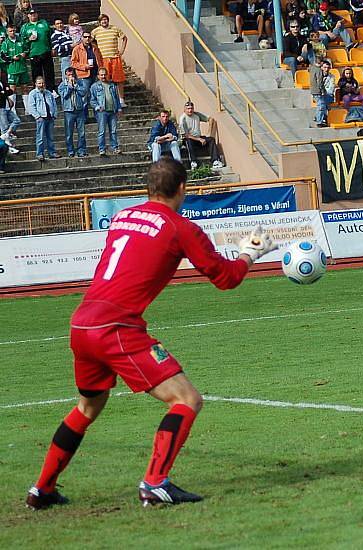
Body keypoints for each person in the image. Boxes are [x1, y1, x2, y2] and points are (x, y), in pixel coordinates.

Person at [25, 158, 278, 510]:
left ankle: (42, 489)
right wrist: (250, 254)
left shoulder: (122, 217)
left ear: (148, 188)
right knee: (186, 399)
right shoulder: (180, 227)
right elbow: (225, 278)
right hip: (116, 327)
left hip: (82, 322)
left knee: (87, 407)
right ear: (183, 189)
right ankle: (155, 483)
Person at [91, 14, 128, 107]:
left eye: (106, 20)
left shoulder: (115, 29)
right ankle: (107, 99)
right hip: (104, 58)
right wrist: (96, 49)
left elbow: (124, 38)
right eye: (102, 20)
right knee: (105, 78)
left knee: (119, 79)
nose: (104, 21)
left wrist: (122, 50)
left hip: (115, 57)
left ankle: (121, 100)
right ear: (99, 22)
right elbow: (90, 40)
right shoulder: (95, 31)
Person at [178, 101, 224, 170]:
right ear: (184, 109)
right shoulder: (182, 119)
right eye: (188, 108)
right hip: (188, 139)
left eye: (191, 108)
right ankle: (193, 162)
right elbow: (185, 135)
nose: (190, 110)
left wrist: (209, 132)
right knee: (188, 141)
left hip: (198, 138)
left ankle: (215, 161)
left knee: (211, 139)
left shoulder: (197, 115)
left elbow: (211, 119)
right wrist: (199, 139)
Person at [89, 67, 122, 156]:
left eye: (104, 74)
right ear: (98, 76)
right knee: (102, 131)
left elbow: (117, 98)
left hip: (113, 111)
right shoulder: (94, 86)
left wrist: (119, 108)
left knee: (114, 131)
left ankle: (115, 147)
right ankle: (102, 149)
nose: (103, 76)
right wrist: (97, 107)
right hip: (102, 112)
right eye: (101, 75)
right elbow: (92, 100)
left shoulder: (112, 86)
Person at [70, 31, 103, 122]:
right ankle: (84, 118)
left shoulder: (95, 48)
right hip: (83, 75)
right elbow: (73, 63)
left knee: (96, 96)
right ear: (82, 38)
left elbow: (100, 59)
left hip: (95, 74)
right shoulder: (77, 49)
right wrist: (84, 66)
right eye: (85, 37)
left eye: (89, 37)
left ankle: (98, 116)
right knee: (84, 97)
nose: (87, 39)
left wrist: (101, 70)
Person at [57, 67, 87, 157]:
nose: (70, 76)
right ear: (66, 75)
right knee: (69, 133)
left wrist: (76, 86)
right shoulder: (62, 85)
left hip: (79, 110)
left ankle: (81, 150)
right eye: (68, 74)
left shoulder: (80, 82)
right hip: (68, 111)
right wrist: (70, 87)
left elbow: (83, 92)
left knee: (81, 132)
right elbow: (64, 96)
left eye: (72, 74)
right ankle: (70, 150)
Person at [27, 75, 58, 161]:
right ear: (36, 84)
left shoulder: (48, 93)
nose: (41, 85)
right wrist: (37, 116)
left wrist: (54, 114)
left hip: (50, 117)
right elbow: (31, 106)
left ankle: (52, 152)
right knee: (40, 137)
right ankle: (40, 154)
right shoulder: (33, 93)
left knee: (50, 137)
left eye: (42, 83)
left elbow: (54, 104)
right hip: (41, 118)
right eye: (39, 83)